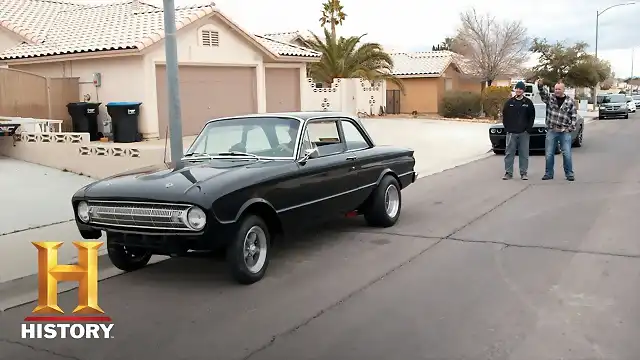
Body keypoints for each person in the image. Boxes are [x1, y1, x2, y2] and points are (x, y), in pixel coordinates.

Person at [536, 78, 577, 181]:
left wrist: (570, 128)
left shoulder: (570, 101)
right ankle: (548, 173)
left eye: (559, 89)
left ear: (563, 90)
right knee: (549, 153)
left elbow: (573, 116)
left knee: (566, 153)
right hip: (552, 130)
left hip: (564, 131)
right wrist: (540, 85)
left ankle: (569, 174)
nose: (557, 91)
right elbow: (543, 93)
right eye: (555, 89)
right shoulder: (550, 98)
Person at [501, 81, 535, 180]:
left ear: (523, 90)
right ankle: (508, 173)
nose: (518, 90)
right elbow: (505, 116)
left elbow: (532, 116)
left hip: (524, 133)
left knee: (524, 154)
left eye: (521, 89)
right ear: (515, 89)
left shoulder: (528, 103)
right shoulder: (509, 102)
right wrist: (507, 128)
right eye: (517, 88)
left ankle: (523, 173)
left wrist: (528, 129)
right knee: (509, 153)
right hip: (511, 132)